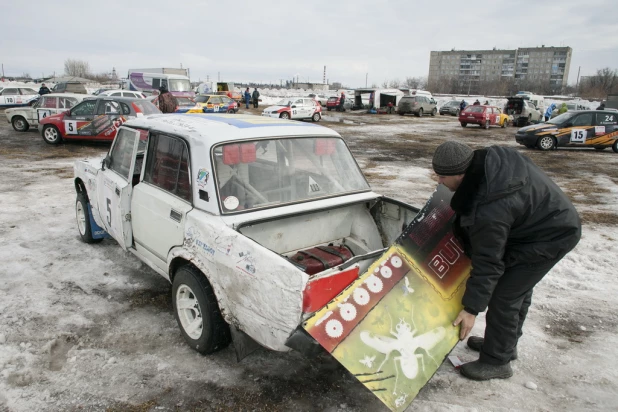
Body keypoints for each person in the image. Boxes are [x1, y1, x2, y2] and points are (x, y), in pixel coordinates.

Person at [431, 141, 581, 381]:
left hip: (551, 237)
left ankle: (497, 361)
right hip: (539, 226)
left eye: (441, 177)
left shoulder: (490, 210)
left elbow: (488, 262)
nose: (438, 182)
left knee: (505, 295)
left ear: (461, 174)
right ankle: (503, 345)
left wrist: (471, 309)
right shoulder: (491, 160)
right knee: (517, 289)